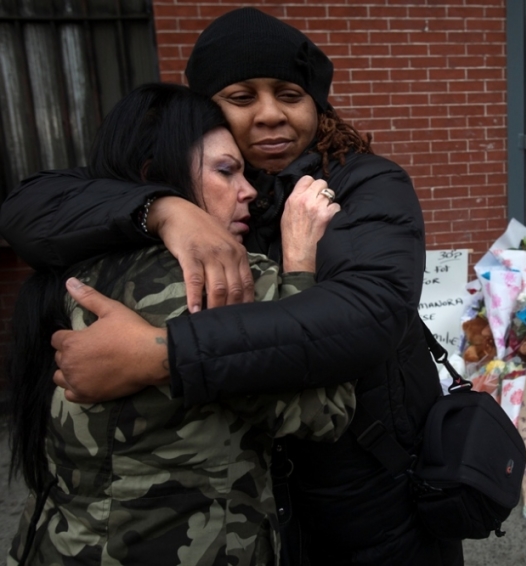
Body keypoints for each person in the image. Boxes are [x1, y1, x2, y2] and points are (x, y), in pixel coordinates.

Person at [0, 7, 463, 566]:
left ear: (318, 105)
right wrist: (164, 210)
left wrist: (164, 352)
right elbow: (28, 207)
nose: (269, 115)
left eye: (290, 95)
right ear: (203, 112)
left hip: (363, 494)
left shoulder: (363, 185)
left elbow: (366, 316)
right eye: (241, 98)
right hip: (254, 508)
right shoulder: (186, 202)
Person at [5, 83, 352, 565]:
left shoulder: (71, 266)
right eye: (226, 171)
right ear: (156, 177)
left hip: (58, 546)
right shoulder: (225, 281)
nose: (249, 190)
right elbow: (326, 410)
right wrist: (298, 267)